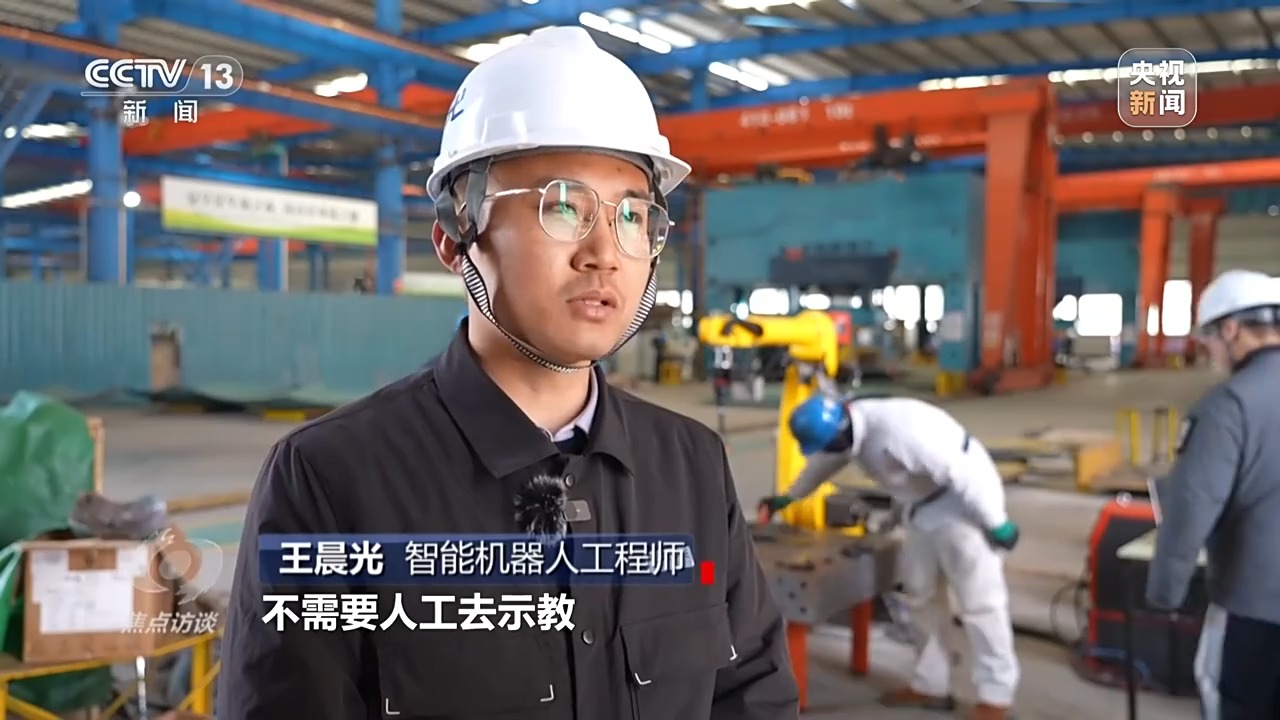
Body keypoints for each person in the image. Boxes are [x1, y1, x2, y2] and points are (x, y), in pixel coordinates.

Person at [218, 26, 799, 720]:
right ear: (454, 235)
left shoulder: (691, 465)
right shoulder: (331, 480)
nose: (604, 252)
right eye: (563, 206)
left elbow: (753, 695)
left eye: (632, 215)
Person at [762, 393, 1020, 720]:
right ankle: (931, 685)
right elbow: (824, 464)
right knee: (920, 597)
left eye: (829, 445)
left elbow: (962, 472)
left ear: (841, 431)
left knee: (980, 604)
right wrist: (787, 498)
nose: (829, 452)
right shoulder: (846, 432)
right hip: (920, 506)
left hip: (964, 506)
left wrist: (996, 522)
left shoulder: (901, 431)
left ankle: (995, 697)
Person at [1145, 269, 1280, 719]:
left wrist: (1165, 593)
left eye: (1209, 340)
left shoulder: (1229, 406)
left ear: (1231, 329)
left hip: (1252, 610)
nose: (1209, 352)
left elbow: (1190, 511)